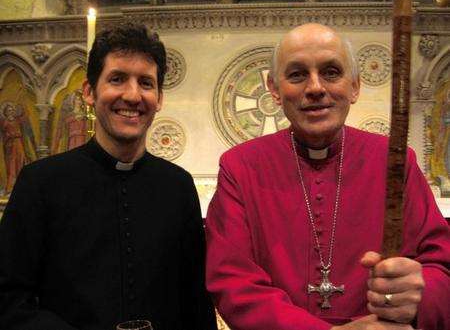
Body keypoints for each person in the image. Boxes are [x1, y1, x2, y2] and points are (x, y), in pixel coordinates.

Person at [206, 23, 450, 330]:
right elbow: (233, 282)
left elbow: (442, 266)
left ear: (355, 86)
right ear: (274, 89)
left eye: (331, 72)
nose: (315, 87)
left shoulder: (395, 160)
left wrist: (419, 293)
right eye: (296, 74)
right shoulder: (240, 167)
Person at [0, 23, 217, 330]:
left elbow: (195, 302)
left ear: (159, 98)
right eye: (117, 79)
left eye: (145, 83)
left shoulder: (178, 186)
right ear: (89, 92)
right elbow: (9, 300)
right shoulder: (40, 183)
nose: (132, 95)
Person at [0, 101, 36, 194]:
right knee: (12, 166)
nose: (11, 111)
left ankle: (22, 185)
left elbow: (24, 120)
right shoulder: (4, 122)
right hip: (10, 146)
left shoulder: (17, 120)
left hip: (19, 144)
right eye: (8, 110)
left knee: (21, 163)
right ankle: (10, 187)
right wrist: (10, 135)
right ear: (5, 112)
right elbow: (4, 135)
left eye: (12, 110)